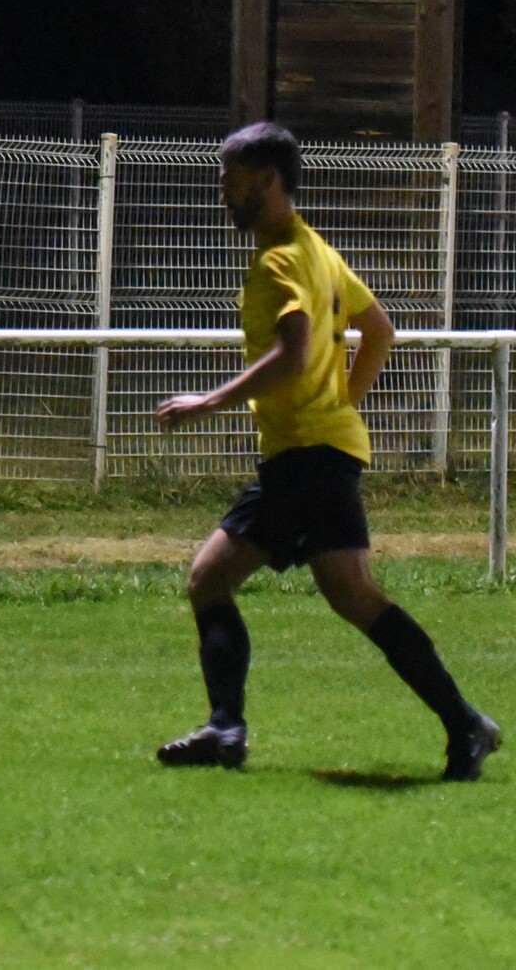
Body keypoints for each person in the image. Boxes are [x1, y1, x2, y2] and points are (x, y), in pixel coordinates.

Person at [153, 121, 499, 781]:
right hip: (313, 451)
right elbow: (379, 329)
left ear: (266, 180)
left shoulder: (281, 259)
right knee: (329, 593)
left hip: (307, 456)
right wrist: (343, 403)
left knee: (236, 583)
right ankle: (463, 724)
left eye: (230, 178)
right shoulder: (316, 249)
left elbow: (294, 354)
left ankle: (230, 727)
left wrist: (209, 402)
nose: (222, 190)